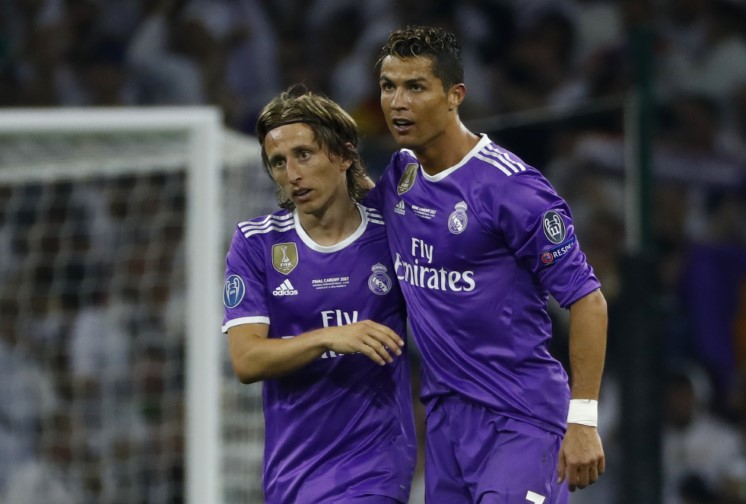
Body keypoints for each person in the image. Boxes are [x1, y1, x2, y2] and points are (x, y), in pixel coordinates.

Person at [363, 25, 608, 503]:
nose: (397, 102)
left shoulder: (513, 191)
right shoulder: (401, 174)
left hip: (520, 419)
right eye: (389, 86)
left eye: (416, 87)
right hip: (446, 423)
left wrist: (582, 420)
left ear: (455, 95)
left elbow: (588, 300)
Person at [221, 86, 417, 504]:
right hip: (293, 473)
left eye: (304, 155)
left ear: (344, 155)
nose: (292, 174)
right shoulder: (256, 243)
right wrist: (330, 337)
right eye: (278, 162)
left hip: (376, 466)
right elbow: (247, 360)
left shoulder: (392, 234)